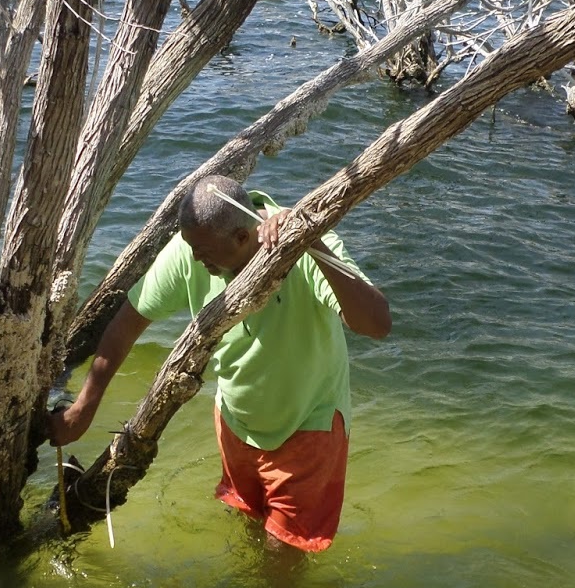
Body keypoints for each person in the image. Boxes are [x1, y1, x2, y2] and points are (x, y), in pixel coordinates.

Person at [47, 174, 391, 553]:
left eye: (203, 251)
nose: (195, 258)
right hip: (235, 419)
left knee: (281, 557)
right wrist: (83, 407)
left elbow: (376, 324)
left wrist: (314, 242)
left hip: (309, 425)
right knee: (247, 526)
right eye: (191, 248)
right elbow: (127, 323)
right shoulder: (193, 247)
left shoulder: (302, 243)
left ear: (242, 238)